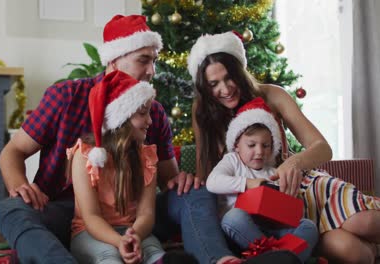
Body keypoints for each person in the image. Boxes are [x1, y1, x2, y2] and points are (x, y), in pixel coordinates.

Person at [0, 14, 236, 264]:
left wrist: (181, 181)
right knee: (9, 209)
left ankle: (217, 259)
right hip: (67, 213)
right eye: (143, 60)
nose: (151, 71)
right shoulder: (66, 97)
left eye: (154, 61)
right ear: (113, 59)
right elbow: (12, 152)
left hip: (132, 218)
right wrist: (20, 185)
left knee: (196, 191)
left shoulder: (153, 113)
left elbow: (168, 178)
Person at [188, 31, 380, 263]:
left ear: (240, 72)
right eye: (214, 83)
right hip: (278, 212)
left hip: (306, 187)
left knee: (363, 222)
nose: (225, 89)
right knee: (351, 252)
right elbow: (205, 173)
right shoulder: (202, 111)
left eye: (229, 78)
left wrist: (293, 163)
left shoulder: (272, 95)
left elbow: (322, 148)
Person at [68, 70, 165, 263]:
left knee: (154, 254)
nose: (150, 121)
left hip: (132, 231)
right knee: (109, 258)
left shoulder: (146, 156)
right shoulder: (84, 156)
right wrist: (119, 242)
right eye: (143, 114)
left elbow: (146, 213)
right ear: (121, 119)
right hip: (90, 232)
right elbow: (91, 217)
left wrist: (133, 237)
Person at [206, 97, 319, 262]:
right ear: (237, 145)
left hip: (275, 232)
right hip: (243, 231)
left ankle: (278, 258)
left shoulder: (273, 172)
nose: (259, 152)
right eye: (251, 145)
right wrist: (248, 183)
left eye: (265, 146)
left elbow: (292, 211)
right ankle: (280, 258)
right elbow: (212, 182)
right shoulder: (233, 161)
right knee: (233, 217)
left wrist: (288, 199)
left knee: (308, 226)